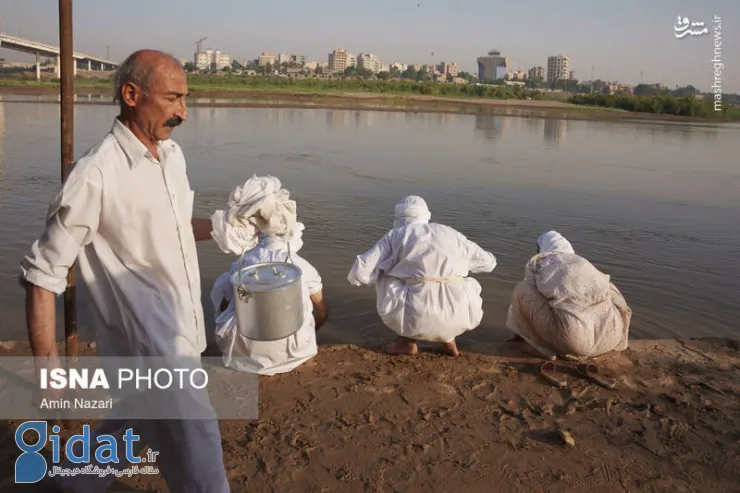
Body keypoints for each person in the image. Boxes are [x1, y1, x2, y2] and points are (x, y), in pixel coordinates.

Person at [19, 50, 229, 492]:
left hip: (182, 332)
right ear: (132, 95)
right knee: (201, 446)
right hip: (148, 348)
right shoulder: (96, 175)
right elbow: (43, 274)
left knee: (131, 424)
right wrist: (50, 372)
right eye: (173, 99)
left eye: (185, 99)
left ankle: (75, 482)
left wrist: (228, 227)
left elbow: (171, 228)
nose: (182, 112)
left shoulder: (172, 158)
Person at [347, 196, 496, 357]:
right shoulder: (451, 233)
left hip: (414, 317)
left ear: (399, 217)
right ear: (425, 214)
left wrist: (383, 274)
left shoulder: (396, 235)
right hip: (461, 316)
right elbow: (489, 263)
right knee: (455, 280)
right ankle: (449, 340)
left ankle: (406, 342)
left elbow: (360, 271)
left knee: (384, 272)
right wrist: (453, 269)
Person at [210, 222, 328, 375]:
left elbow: (224, 304)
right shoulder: (303, 266)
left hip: (243, 348)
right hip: (291, 349)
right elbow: (322, 311)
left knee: (225, 290)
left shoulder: (241, 264)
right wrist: (312, 330)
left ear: (260, 235)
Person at [506, 231, 632, 361]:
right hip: (611, 338)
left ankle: (541, 349)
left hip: (574, 341)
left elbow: (524, 303)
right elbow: (620, 302)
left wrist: (520, 334)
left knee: (522, 289)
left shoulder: (541, 263)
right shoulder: (586, 265)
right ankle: (604, 346)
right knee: (607, 288)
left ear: (541, 249)